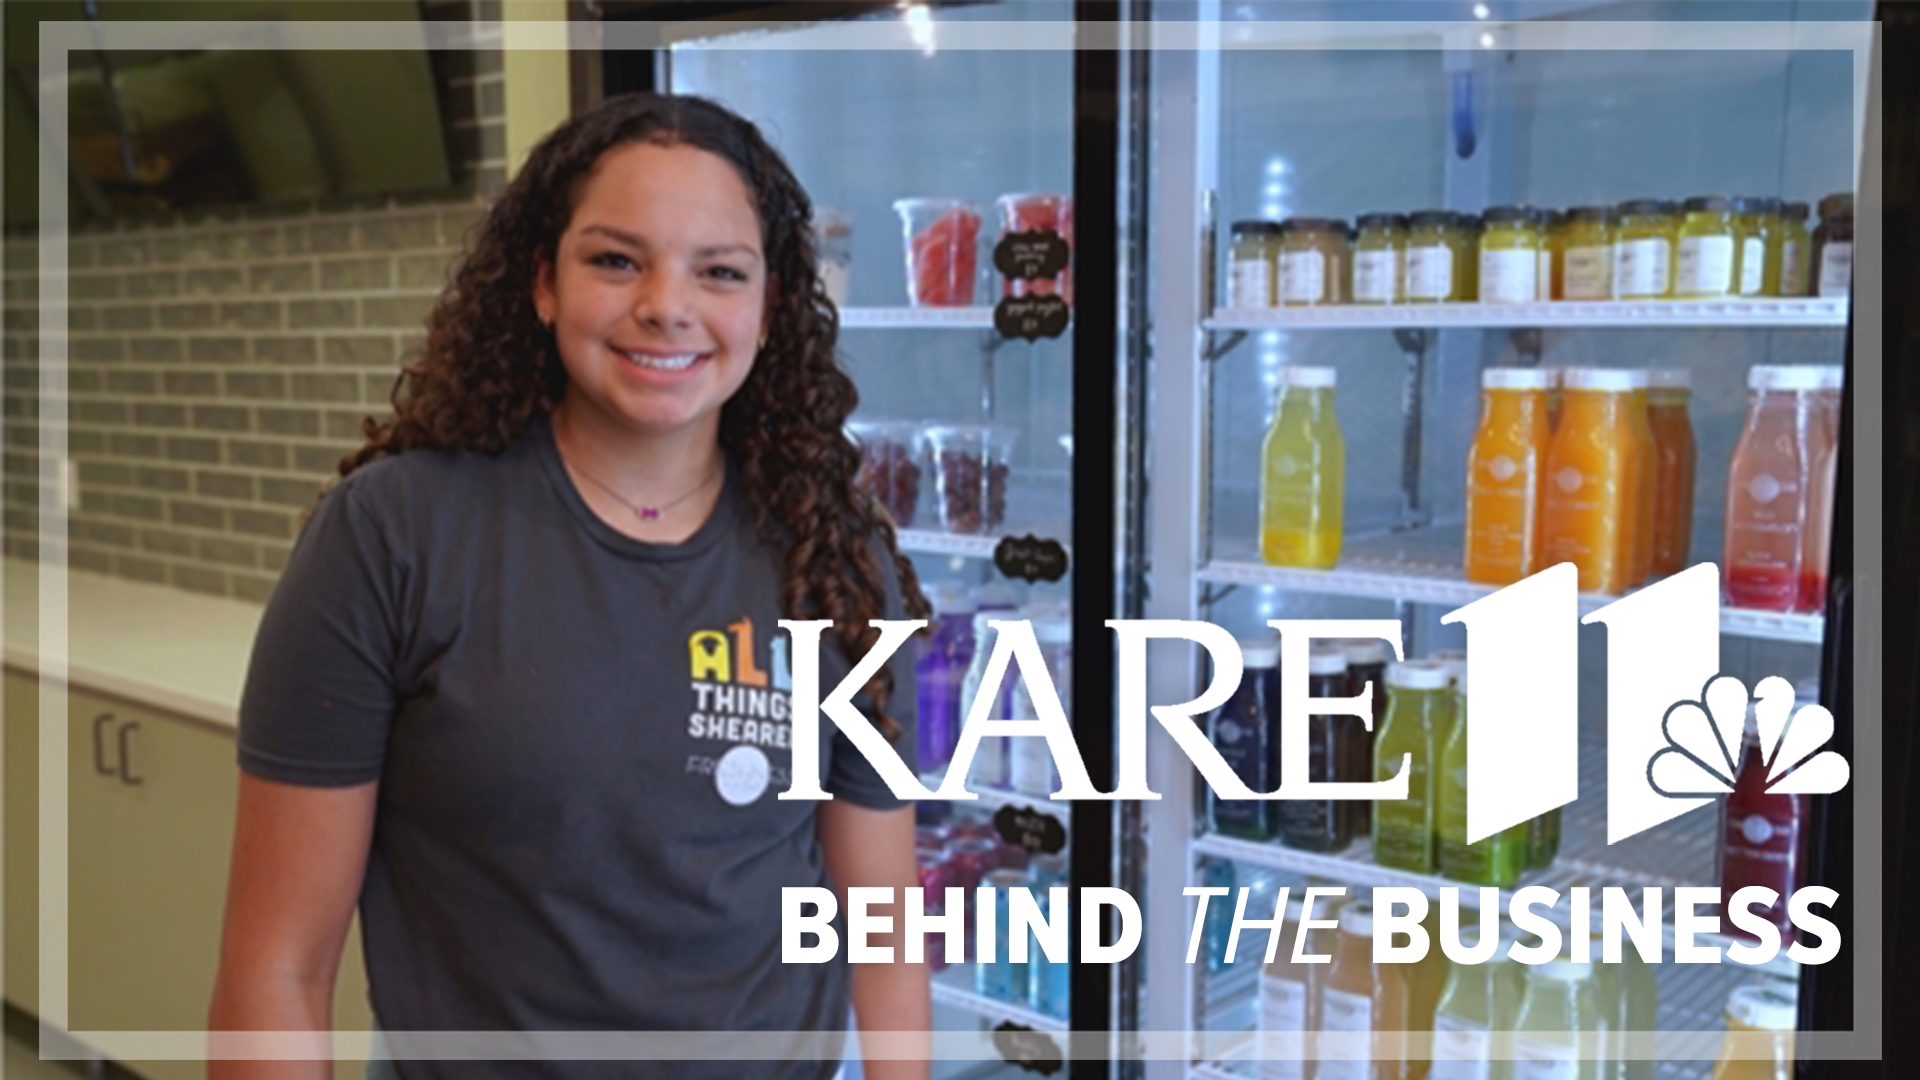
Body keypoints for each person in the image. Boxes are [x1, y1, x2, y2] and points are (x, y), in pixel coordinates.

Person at [207, 93, 933, 1080]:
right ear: (542, 282)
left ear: (769, 310)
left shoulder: (834, 560)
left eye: (719, 272)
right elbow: (276, 971)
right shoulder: (392, 536)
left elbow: (883, 938)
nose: (666, 305)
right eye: (615, 259)